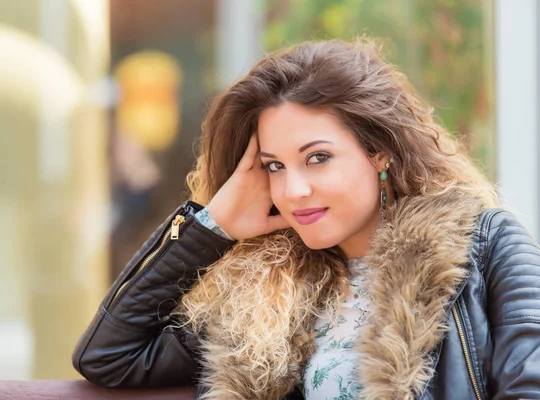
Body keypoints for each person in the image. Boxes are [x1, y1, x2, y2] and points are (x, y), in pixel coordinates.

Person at [72, 39, 540, 400]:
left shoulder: (483, 247)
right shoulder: (269, 295)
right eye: (274, 166)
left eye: (317, 157)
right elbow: (109, 356)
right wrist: (214, 223)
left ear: (380, 152)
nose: (293, 190)